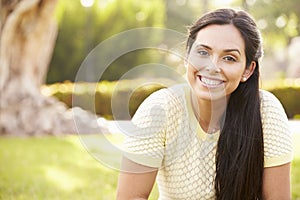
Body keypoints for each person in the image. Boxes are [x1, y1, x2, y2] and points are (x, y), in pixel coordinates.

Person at [116, 8, 293, 200]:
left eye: (229, 58)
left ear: (248, 70)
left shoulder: (266, 112)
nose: (212, 67)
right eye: (203, 52)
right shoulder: (160, 109)